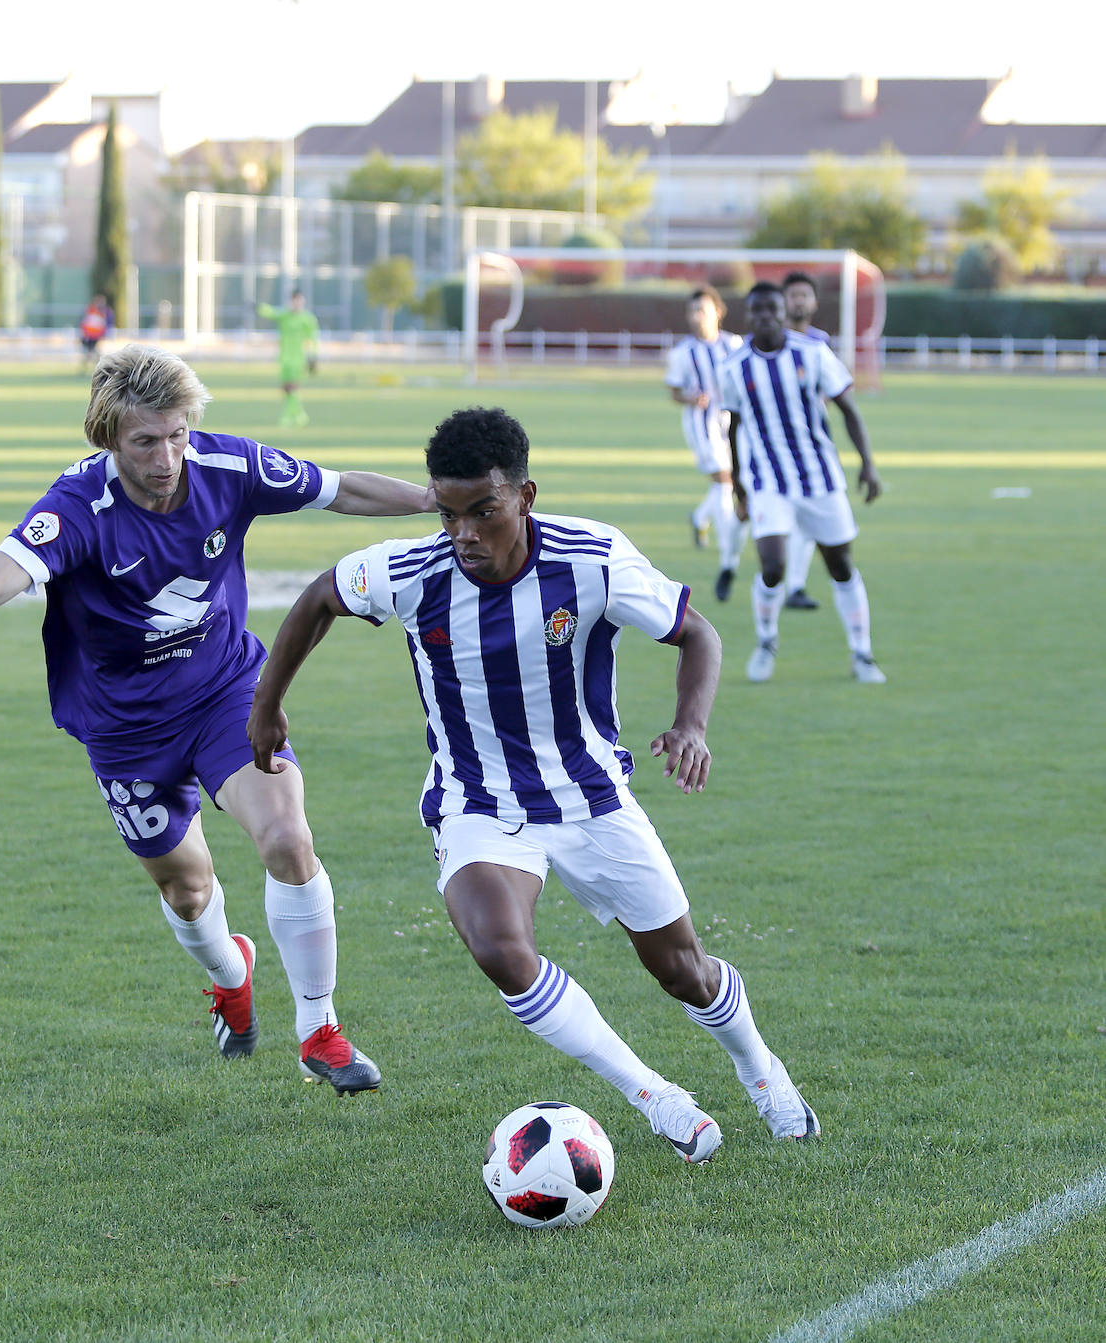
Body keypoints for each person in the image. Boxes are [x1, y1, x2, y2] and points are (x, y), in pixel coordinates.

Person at [248, 406, 820, 1164]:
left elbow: (697, 634)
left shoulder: (592, 559)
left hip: (591, 796)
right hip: (477, 799)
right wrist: (267, 703)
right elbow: (322, 594)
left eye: (483, 511)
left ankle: (760, 1069)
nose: (464, 534)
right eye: (448, 514)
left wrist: (691, 725)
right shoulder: (411, 572)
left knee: (682, 969)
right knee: (498, 945)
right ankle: (655, 1096)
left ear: (525, 495)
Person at [0, 344, 433, 1094]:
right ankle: (232, 975)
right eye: (145, 441)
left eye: (177, 434)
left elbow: (342, 490)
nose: (167, 456)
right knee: (187, 890)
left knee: (287, 837)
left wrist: (438, 501)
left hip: (226, 692)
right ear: (108, 437)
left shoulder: (227, 468)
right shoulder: (77, 507)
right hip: (127, 729)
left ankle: (320, 1030)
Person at [720, 282, 886, 684]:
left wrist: (867, 464)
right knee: (773, 565)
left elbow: (848, 408)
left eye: (773, 310)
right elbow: (734, 428)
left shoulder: (812, 354)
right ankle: (766, 642)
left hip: (820, 480)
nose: (766, 318)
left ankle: (862, 653)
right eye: (757, 311)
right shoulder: (734, 368)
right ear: (749, 316)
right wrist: (740, 485)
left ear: (783, 312)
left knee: (841, 565)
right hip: (768, 482)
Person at [664, 286, 746, 602]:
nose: (696, 316)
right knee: (725, 481)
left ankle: (700, 518)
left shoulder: (734, 345)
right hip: (702, 426)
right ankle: (728, 553)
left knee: (729, 481)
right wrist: (689, 397)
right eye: (692, 310)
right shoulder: (683, 352)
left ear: (718, 312)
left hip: (735, 423)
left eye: (703, 309)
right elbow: (673, 392)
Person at [777, 271, 832, 611]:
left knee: (807, 519)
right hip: (773, 447)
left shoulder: (820, 343)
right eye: (792, 295)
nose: (798, 301)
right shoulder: (770, 340)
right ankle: (732, 564)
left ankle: (794, 585)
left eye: (804, 295)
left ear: (814, 302)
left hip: (810, 446)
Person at [257, 290, 319, 427]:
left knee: (293, 388)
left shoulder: (307, 319)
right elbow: (270, 312)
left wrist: (313, 357)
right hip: (285, 358)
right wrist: (258, 306)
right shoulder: (285, 315)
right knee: (286, 389)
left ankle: (288, 416)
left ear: (303, 302)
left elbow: (313, 339)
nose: (297, 304)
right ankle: (300, 415)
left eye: (299, 301)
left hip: (299, 359)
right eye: (294, 300)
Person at [78, 295, 114, 371]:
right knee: (91, 352)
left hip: (95, 336)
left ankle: (97, 367)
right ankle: (99, 367)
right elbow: (84, 323)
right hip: (89, 336)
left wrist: (105, 333)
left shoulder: (105, 312)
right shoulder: (91, 310)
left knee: (91, 352)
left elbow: (107, 324)